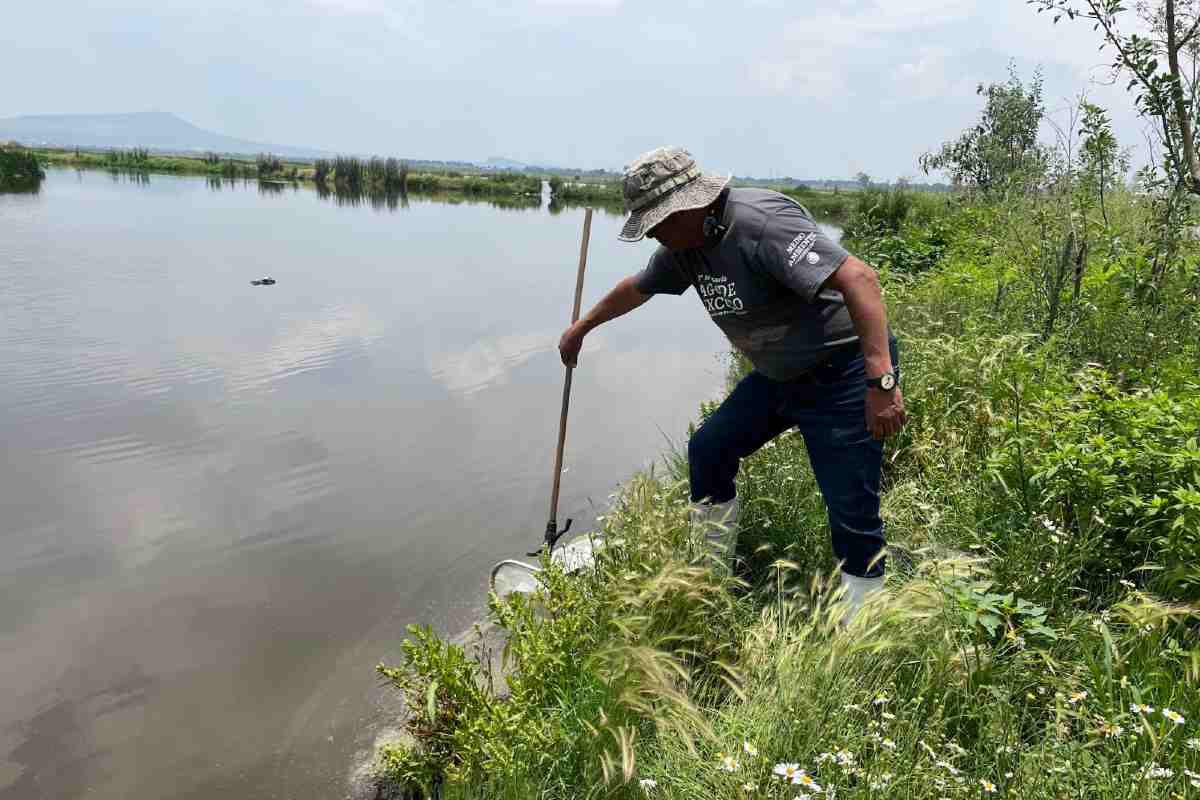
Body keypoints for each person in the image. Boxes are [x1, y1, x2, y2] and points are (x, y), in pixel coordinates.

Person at [557, 146, 906, 617]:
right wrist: (582, 329)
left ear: (691, 204)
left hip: (841, 372)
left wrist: (880, 383)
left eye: (658, 220)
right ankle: (712, 573)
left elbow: (861, 279)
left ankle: (866, 621)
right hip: (779, 377)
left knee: (849, 502)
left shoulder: (762, 224)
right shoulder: (684, 246)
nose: (654, 233)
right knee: (709, 449)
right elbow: (637, 288)